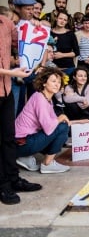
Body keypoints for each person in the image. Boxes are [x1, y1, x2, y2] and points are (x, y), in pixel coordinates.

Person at [0, 11, 41, 205]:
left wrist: (34, 29)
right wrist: (11, 71)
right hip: (7, 79)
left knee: (9, 138)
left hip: (5, 90)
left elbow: (22, 41)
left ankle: (13, 179)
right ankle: (3, 186)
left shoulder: (6, 23)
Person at [15, 67, 70, 174]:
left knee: (61, 128)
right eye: (53, 81)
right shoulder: (40, 98)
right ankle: (47, 164)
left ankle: (24, 157)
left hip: (22, 142)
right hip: (22, 143)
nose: (57, 84)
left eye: (59, 82)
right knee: (63, 127)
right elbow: (49, 128)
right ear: (44, 83)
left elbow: (52, 123)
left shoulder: (46, 99)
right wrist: (61, 117)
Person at [50, 10, 80, 77]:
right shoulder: (49, 33)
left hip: (68, 69)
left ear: (66, 22)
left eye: (65, 20)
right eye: (60, 18)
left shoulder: (70, 34)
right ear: (56, 18)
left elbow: (77, 52)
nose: (62, 21)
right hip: (51, 69)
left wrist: (62, 55)